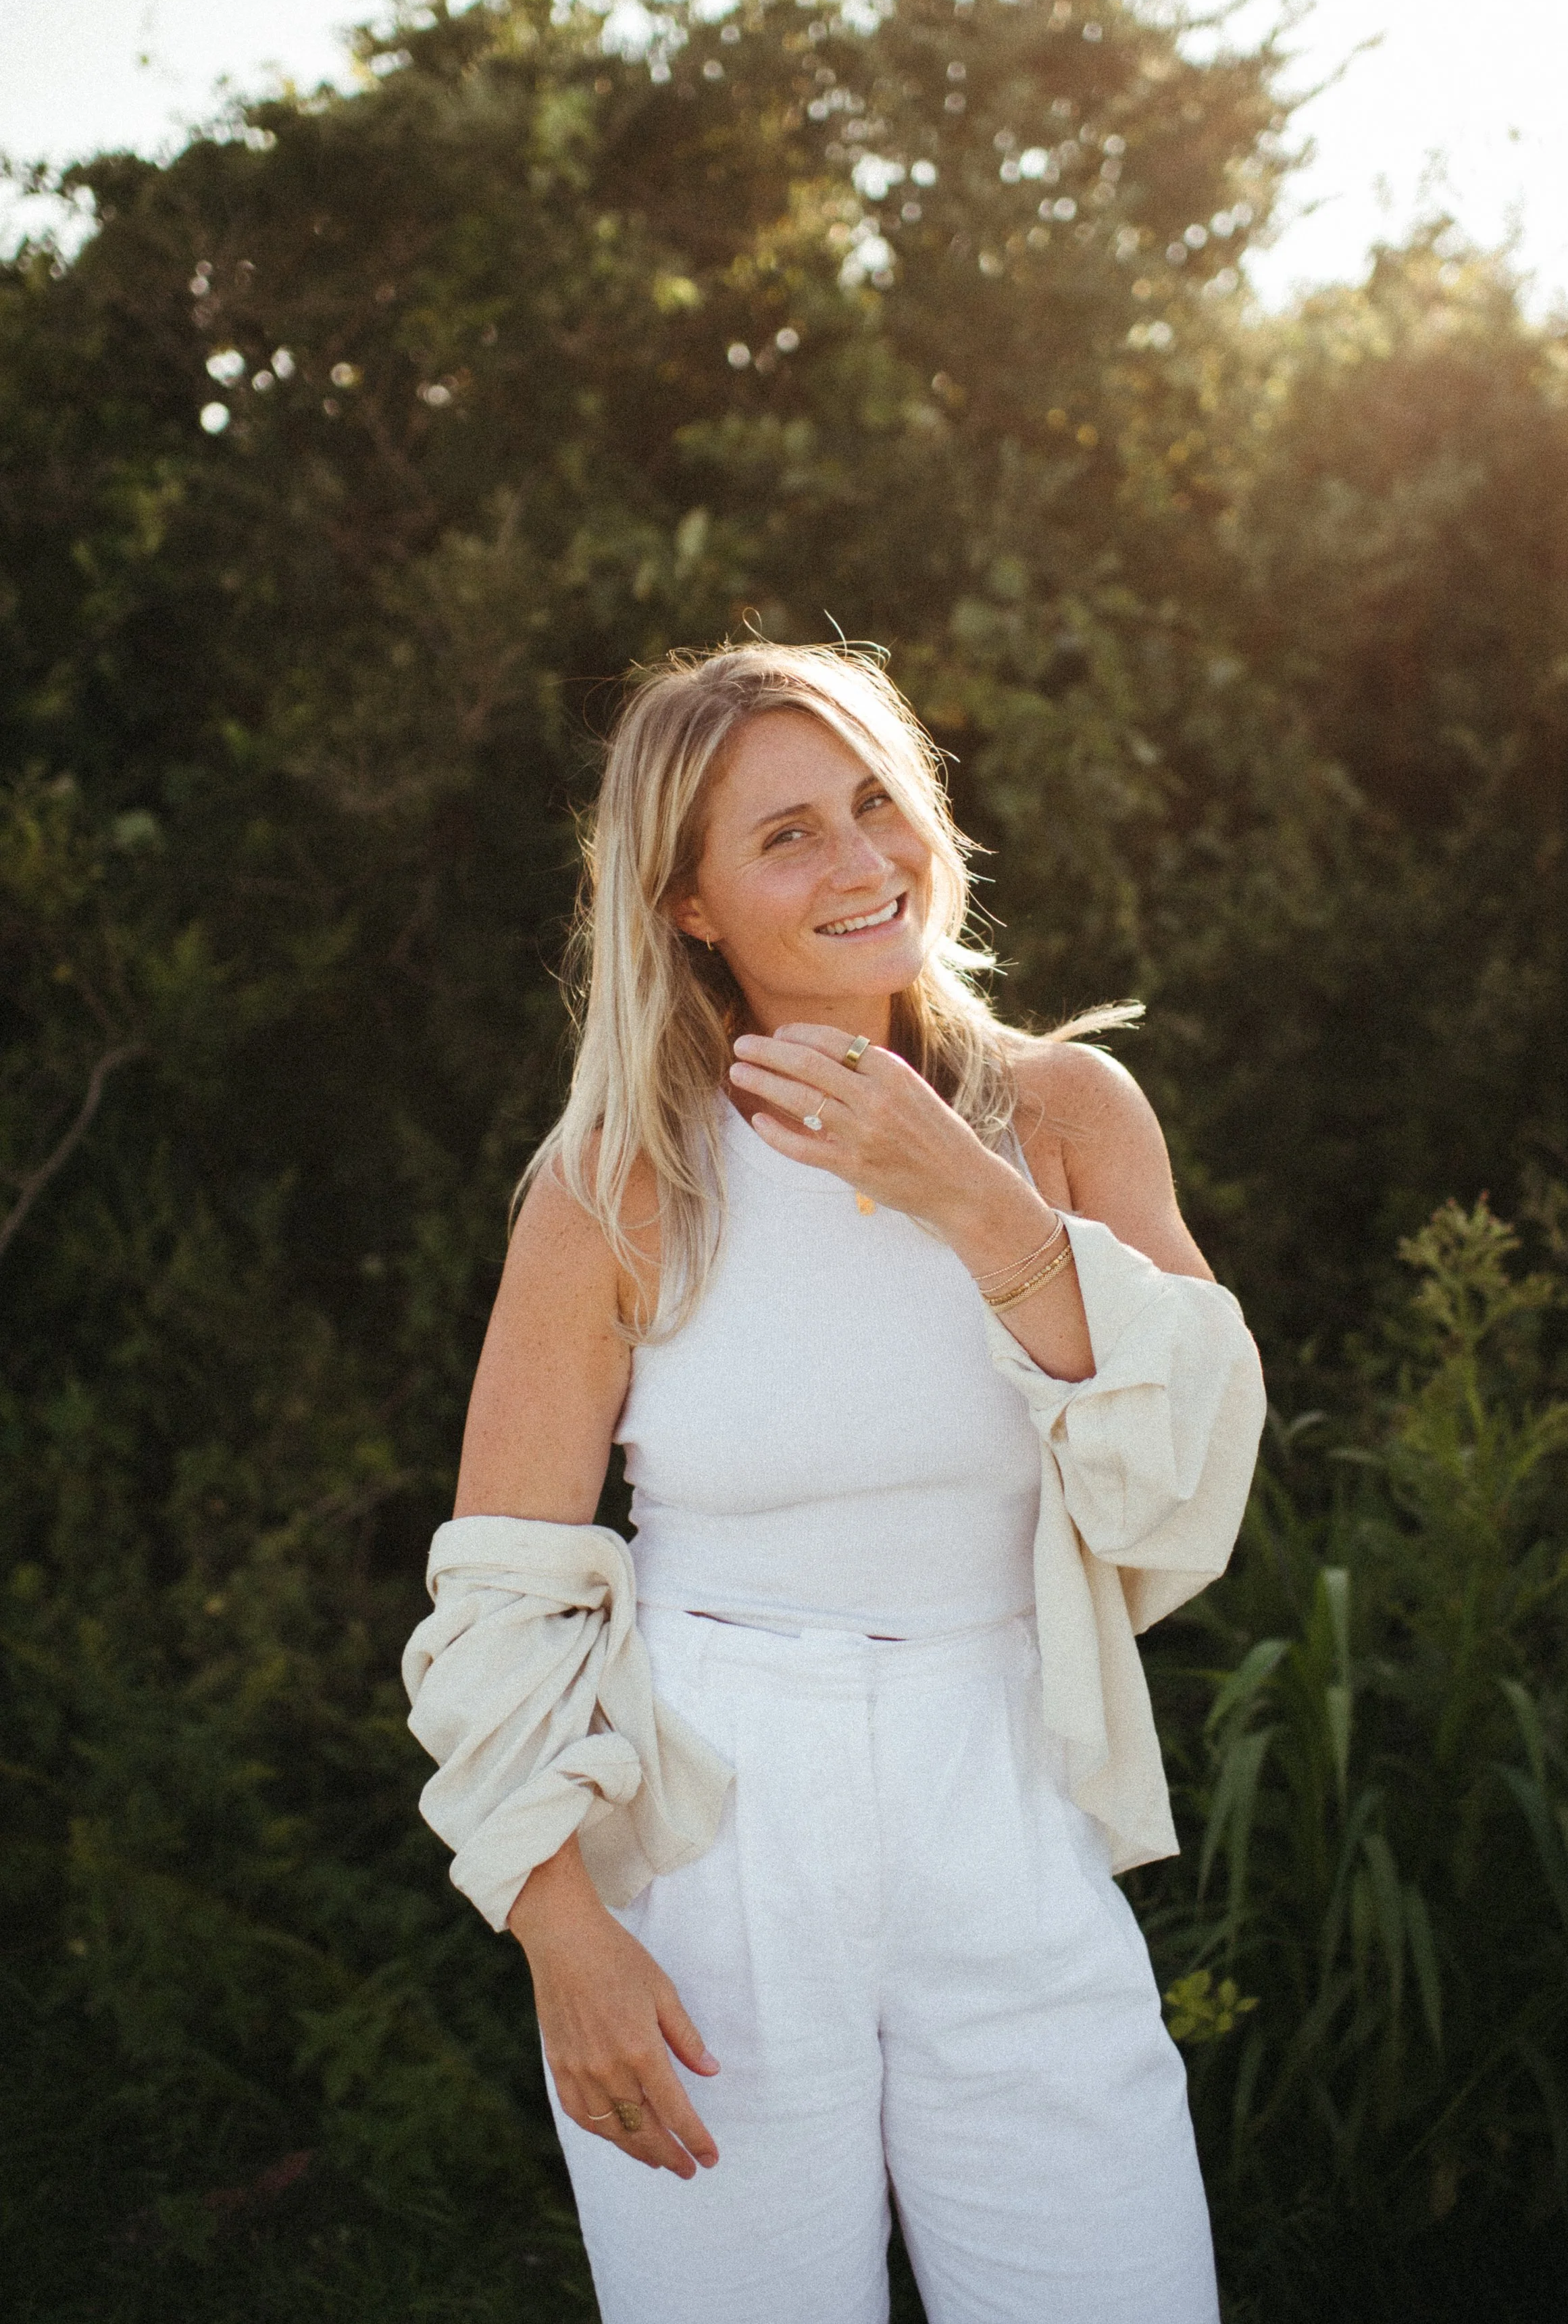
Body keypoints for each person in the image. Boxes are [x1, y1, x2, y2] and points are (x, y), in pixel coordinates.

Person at [402, 640, 1266, 2324]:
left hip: (1010, 1796)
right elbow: (501, 1586)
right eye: (786, 835)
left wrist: (968, 1193)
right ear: (690, 905)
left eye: (876, 805)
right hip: (709, 1847)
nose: (864, 863)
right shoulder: (614, 1184)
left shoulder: (1065, 1112)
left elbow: (1184, 1496)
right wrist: (556, 1926)